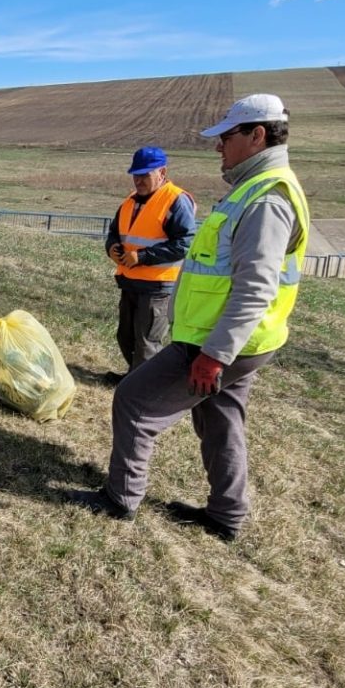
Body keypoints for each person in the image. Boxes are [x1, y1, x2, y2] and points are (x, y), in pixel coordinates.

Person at [67, 94, 309, 540]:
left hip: (218, 341)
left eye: (227, 137)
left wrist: (214, 354)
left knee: (135, 400)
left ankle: (120, 498)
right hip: (241, 340)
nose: (219, 146)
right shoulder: (256, 189)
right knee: (220, 418)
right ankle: (226, 514)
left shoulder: (266, 200)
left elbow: (256, 287)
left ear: (258, 135)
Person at [104, 146, 196, 381]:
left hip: (158, 287)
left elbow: (184, 244)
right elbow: (115, 232)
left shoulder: (176, 201)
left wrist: (143, 257)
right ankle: (133, 378)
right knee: (125, 336)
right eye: (136, 175)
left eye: (145, 175)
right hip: (130, 283)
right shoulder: (129, 202)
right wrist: (112, 247)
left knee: (146, 342)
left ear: (162, 172)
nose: (139, 180)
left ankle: (141, 388)